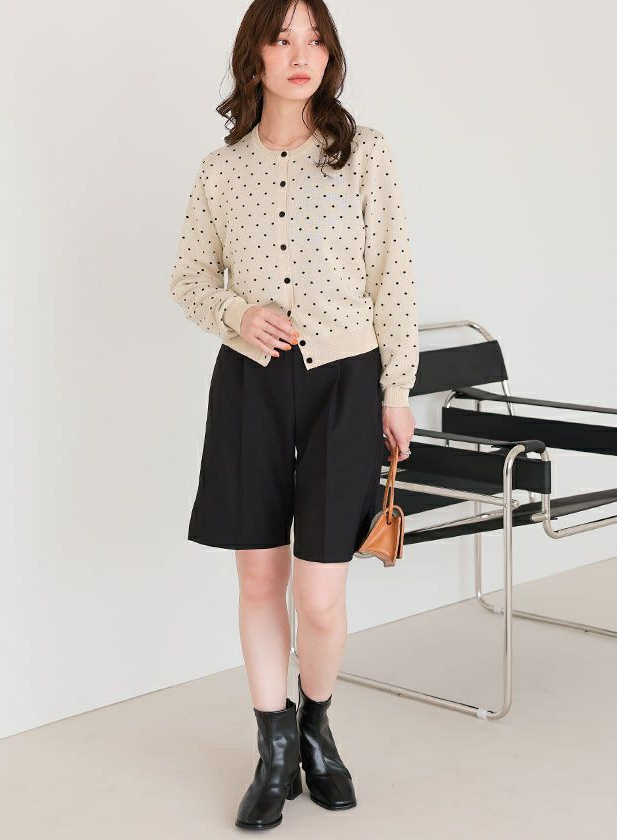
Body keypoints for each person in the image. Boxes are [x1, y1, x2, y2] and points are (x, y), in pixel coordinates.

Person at [169, 0, 419, 830]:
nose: (300, 54)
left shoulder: (365, 153)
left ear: (330, 56)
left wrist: (395, 391)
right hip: (250, 387)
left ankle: (317, 727)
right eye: (283, 39)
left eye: (315, 40)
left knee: (318, 595)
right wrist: (237, 313)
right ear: (257, 56)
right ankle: (274, 750)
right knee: (258, 578)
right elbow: (188, 278)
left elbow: (395, 279)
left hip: (344, 387)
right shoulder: (220, 170)